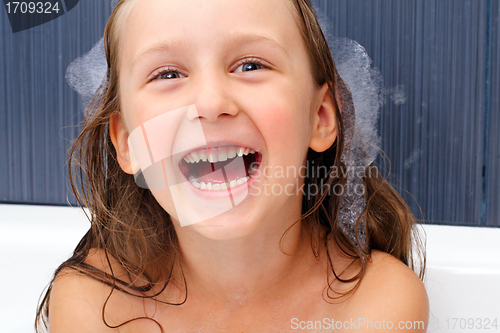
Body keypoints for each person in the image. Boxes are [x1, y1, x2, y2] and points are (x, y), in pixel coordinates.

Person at [36, 0, 429, 332]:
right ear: (127, 143)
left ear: (321, 117)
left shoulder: (374, 303)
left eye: (251, 65)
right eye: (168, 74)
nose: (209, 103)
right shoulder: (95, 304)